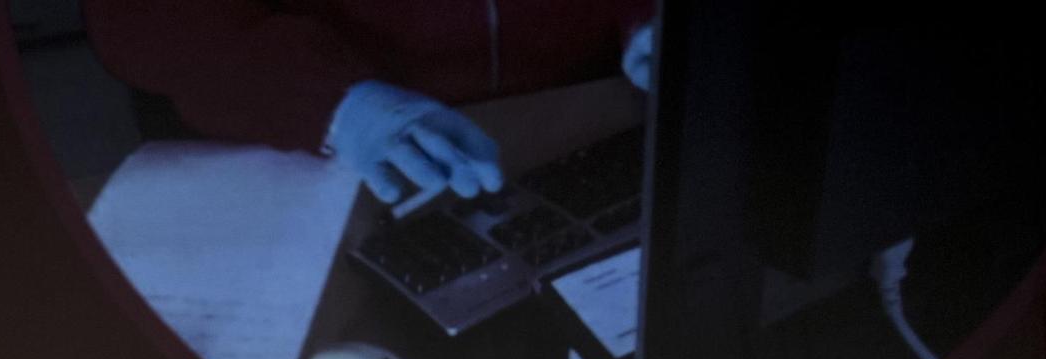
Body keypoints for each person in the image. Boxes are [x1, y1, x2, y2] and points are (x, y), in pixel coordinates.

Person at [84, 0, 652, 206]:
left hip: (593, 127)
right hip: (336, 163)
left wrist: (654, 19)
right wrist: (333, 101)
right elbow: (140, 19)